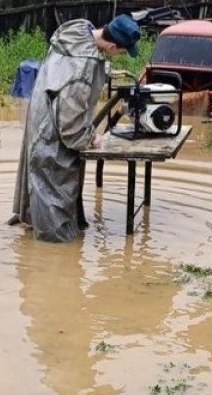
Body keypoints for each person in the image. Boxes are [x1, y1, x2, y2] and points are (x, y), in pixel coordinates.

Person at [9, 14, 141, 243]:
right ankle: (52, 256)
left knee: (41, 192)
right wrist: (91, 139)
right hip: (51, 138)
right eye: (121, 52)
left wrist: (103, 71)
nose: (120, 56)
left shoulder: (77, 32)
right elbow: (70, 126)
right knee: (55, 209)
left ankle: (37, 232)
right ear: (112, 46)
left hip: (40, 117)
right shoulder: (82, 69)